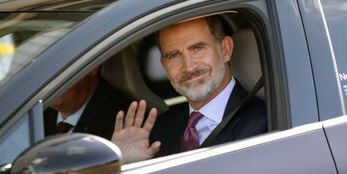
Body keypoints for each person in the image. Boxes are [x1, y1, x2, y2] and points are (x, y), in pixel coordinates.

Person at [111, 15, 267, 162]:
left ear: (225, 50)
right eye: (173, 55)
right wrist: (128, 166)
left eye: (197, 49)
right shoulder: (156, 130)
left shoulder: (266, 125)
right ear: (164, 66)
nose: (188, 66)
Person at [44, 67, 130, 140]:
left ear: (92, 68)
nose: (48, 80)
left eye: (58, 67)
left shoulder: (123, 122)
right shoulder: (35, 111)